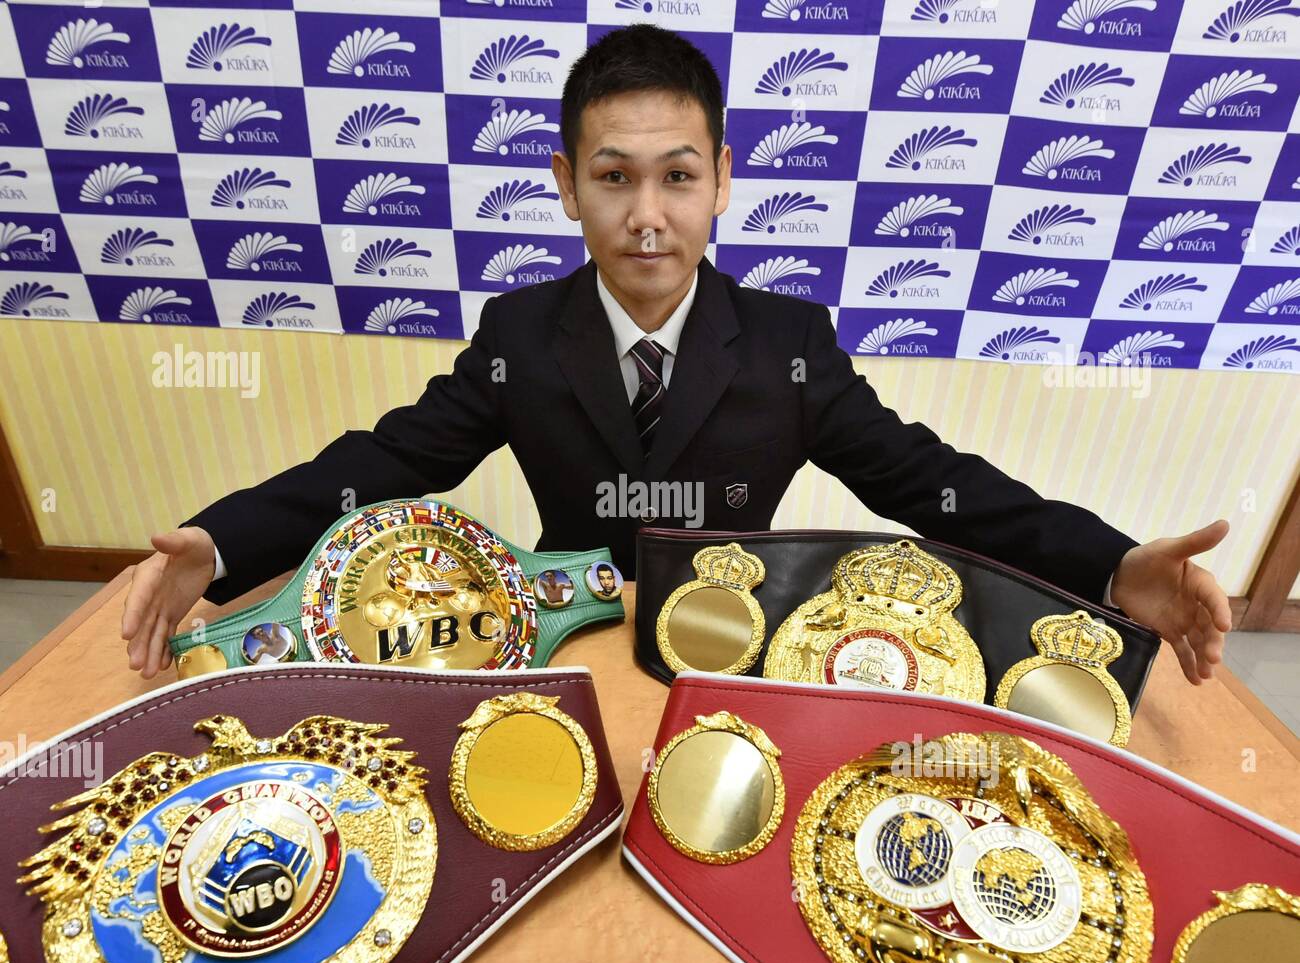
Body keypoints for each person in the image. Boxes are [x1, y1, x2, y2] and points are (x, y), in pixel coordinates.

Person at [122, 24, 1231, 686]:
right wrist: (219, 544)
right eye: (613, 178)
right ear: (566, 184)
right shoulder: (519, 337)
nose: (647, 215)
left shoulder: (791, 344)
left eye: (677, 176)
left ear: (721, 179)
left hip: (741, 638)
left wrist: (1112, 565)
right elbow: (384, 460)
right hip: (562, 629)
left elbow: (931, 484)